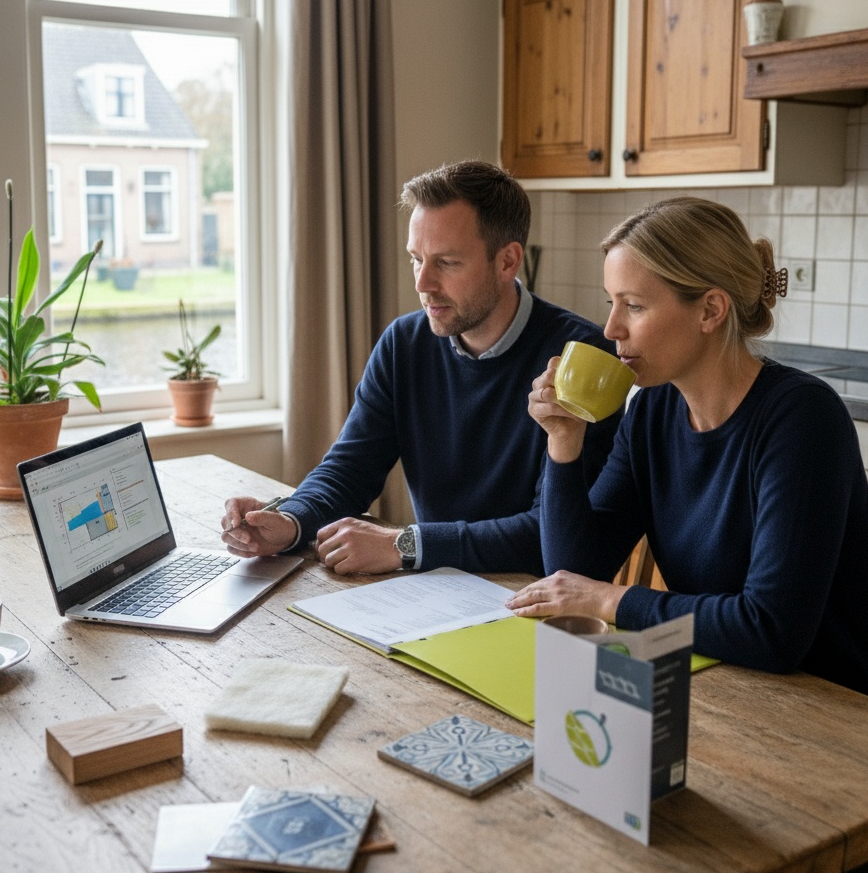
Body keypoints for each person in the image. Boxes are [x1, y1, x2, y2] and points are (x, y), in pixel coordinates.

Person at [504, 196, 868, 873]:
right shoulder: (653, 412)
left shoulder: (803, 420)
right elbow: (577, 565)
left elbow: (772, 629)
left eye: (632, 305)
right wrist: (564, 445)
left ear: (710, 310)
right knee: (567, 812)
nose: (610, 330)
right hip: (725, 690)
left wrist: (611, 602)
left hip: (835, 732)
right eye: (609, 304)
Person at [220, 160, 621, 576]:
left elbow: (552, 534)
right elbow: (351, 467)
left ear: (507, 262)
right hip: (432, 587)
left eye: (446, 263)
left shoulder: (582, 359)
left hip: (535, 601)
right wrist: (290, 521)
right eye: (416, 259)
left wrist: (405, 545)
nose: (422, 283)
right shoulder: (404, 343)